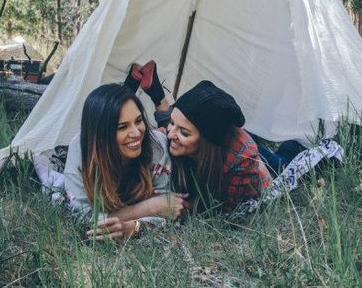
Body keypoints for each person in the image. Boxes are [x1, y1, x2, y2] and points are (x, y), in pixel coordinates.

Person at [127, 62, 273, 213]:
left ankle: (294, 145)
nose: (170, 134)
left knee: (282, 158)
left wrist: (186, 205)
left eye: (184, 132)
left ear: (207, 140)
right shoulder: (175, 139)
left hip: (264, 166)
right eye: (172, 122)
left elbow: (226, 213)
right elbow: (157, 139)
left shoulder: (240, 161)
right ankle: (157, 94)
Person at [62, 83, 188, 240]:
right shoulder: (81, 149)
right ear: (101, 134)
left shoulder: (157, 146)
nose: (136, 133)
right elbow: (84, 218)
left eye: (138, 120)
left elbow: (171, 210)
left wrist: (135, 227)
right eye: (122, 127)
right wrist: (150, 207)